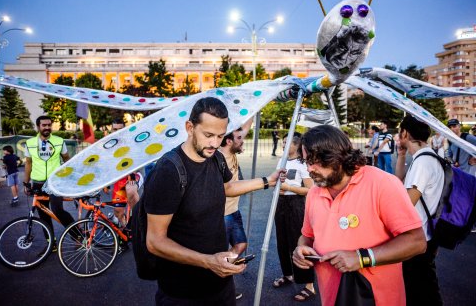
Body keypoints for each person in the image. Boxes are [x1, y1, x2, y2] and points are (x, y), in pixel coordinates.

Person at [143, 97, 286, 305]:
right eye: (208, 135)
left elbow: (227, 187)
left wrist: (267, 181)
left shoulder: (216, 158)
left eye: (220, 136)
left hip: (221, 284)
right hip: (182, 293)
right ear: (190, 127)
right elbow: (155, 242)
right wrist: (208, 261)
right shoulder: (168, 171)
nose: (215, 143)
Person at [292, 125, 426, 306]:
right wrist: (301, 250)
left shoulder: (382, 183)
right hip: (331, 298)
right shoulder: (315, 193)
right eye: (307, 162)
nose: (310, 169)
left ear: (338, 156)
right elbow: (307, 237)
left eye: (316, 162)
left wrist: (362, 257)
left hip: (377, 299)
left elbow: (417, 242)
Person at [395, 115, 444, 306]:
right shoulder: (428, 156)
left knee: (420, 290)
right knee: (424, 286)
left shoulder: (423, 162)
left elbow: (407, 203)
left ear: (405, 133)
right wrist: (400, 155)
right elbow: (399, 179)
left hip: (418, 236)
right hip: (428, 233)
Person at [273, 133, 316, 302]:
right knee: (282, 242)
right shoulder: (282, 161)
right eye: (283, 142)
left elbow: (311, 190)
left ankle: (309, 285)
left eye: (286, 142)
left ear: (297, 145)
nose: (283, 145)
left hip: (296, 204)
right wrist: (279, 187)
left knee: (297, 243)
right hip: (281, 203)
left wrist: (289, 187)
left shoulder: (302, 164)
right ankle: (288, 274)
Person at [23, 116, 74, 242]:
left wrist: (70, 176)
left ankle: (78, 236)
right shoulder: (29, 143)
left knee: (58, 210)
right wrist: (26, 183)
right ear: (38, 127)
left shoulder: (59, 141)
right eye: (44, 125)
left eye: (49, 125)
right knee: (44, 215)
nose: (47, 127)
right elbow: (28, 163)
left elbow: (67, 159)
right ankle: (51, 243)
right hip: (38, 183)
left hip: (55, 182)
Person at [219, 118, 252, 301]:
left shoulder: (232, 148)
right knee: (220, 253)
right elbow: (229, 189)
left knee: (241, 245)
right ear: (229, 141)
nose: (243, 140)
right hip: (222, 215)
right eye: (239, 138)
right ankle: (220, 288)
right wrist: (263, 182)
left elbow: (246, 126)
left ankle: (222, 274)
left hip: (233, 211)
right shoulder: (219, 158)